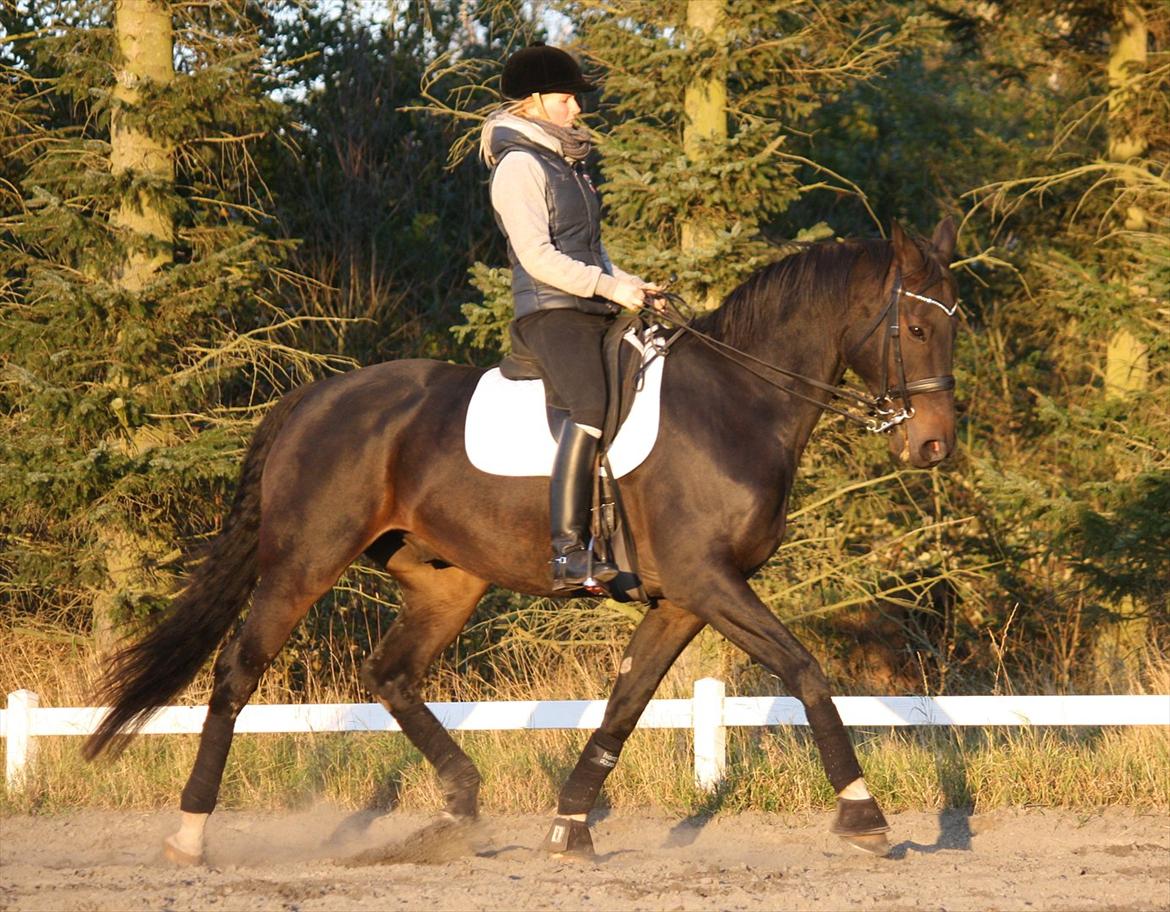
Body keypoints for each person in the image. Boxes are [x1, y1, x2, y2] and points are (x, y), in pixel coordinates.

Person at [480, 44, 660, 593]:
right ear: (534, 103)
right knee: (589, 404)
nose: (577, 109)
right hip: (551, 311)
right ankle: (567, 552)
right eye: (566, 99)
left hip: (590, 301)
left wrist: (629, 283)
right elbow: (537, 257)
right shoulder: (518, 166)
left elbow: (590, 250)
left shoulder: (568, 165)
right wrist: (608, 286)